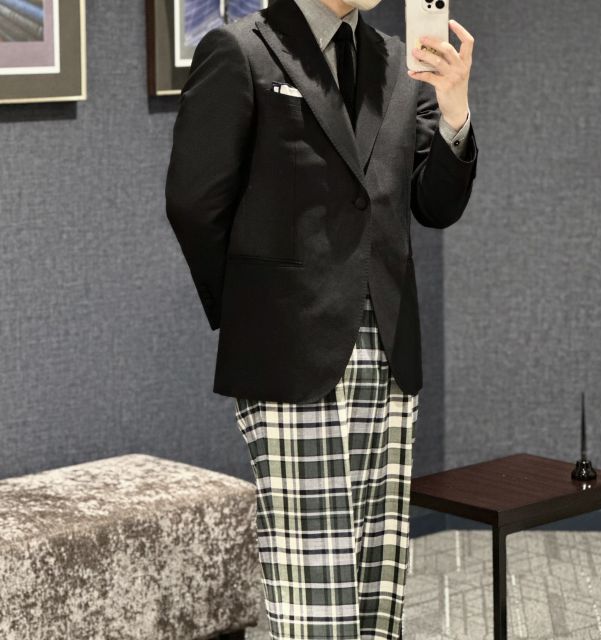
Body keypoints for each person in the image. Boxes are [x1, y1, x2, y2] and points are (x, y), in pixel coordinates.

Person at [165, 0, 477, 637]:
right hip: (290, 352)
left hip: (389, 350)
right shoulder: (240, 49)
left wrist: (454, 109)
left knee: (376, 586)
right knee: (312, 593)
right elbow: (195, 203)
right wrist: (256, 313)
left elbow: (434, 204)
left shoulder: (399, 60)